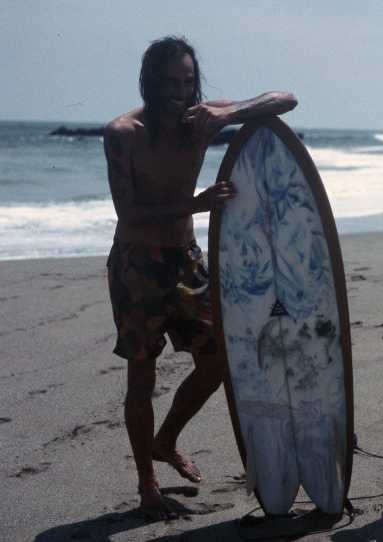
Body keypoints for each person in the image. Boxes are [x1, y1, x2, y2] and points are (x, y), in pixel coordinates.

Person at [104, 35, 297, 519]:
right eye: (171, 82)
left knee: (219, 361)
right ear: (150, 82)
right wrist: (195, 204)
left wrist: (227, 114)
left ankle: (165, 440)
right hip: (137, 264)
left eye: (189, 82)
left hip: (186, 260)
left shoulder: (200, 120)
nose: (181, 91)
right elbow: (128, 212)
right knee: (141, 377)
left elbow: (286, 98)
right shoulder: (124, 133)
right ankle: (147, 484)